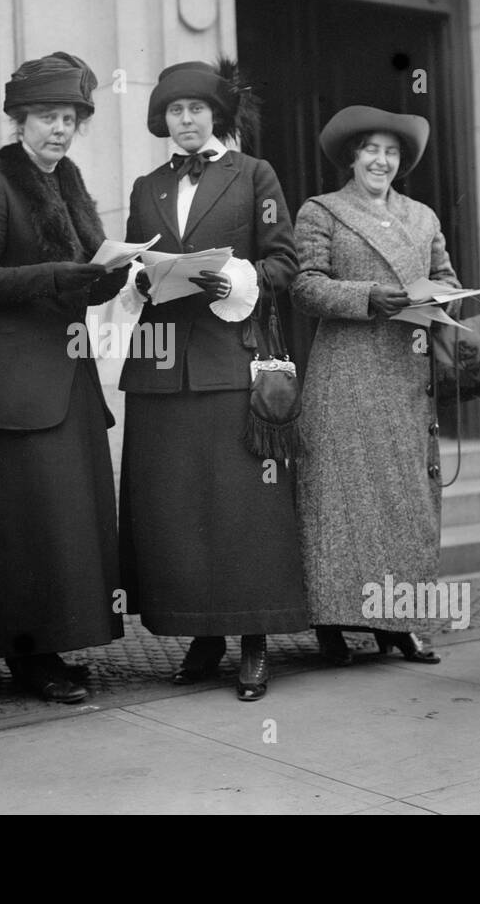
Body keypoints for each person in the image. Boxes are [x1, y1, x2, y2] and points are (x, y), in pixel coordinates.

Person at [118, 58, 309, 702]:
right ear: (163, 121)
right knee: (178, 507)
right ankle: (203, 633)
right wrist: (142, 280)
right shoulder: (147, 186)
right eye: (176, 111)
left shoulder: (254, 174)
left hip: (232, 358)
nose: (188, 120)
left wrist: (242, 279)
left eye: (198, 109)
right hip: (164, 364)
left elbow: (286, 260)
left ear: (218, 116)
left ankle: (253, 641)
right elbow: (133, 264)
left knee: (240, 508)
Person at [0, 52, 128, 703]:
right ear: (20, 120)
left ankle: (54, 645)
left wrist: (116, 272)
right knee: (21, 525)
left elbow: (88, 272)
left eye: (69, 119)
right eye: (46, 117)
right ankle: (28, 657)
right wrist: (58, 275)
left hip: (69, 376)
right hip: (12, 383)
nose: (59, 129)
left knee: (63, 521)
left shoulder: (70, 183)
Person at [291, 106, 458, 667]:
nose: (381, 161)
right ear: (352, 158)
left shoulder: (423, 216)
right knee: (336, 498)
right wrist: (367, 297)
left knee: (405, 500)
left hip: (406, 370)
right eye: (370, 150)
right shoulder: (322, 211)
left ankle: (400, 623)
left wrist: (437, 299)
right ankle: (333, 622)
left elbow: (448, 281)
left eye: (391, 152)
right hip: (345, 371)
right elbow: (305, 285)